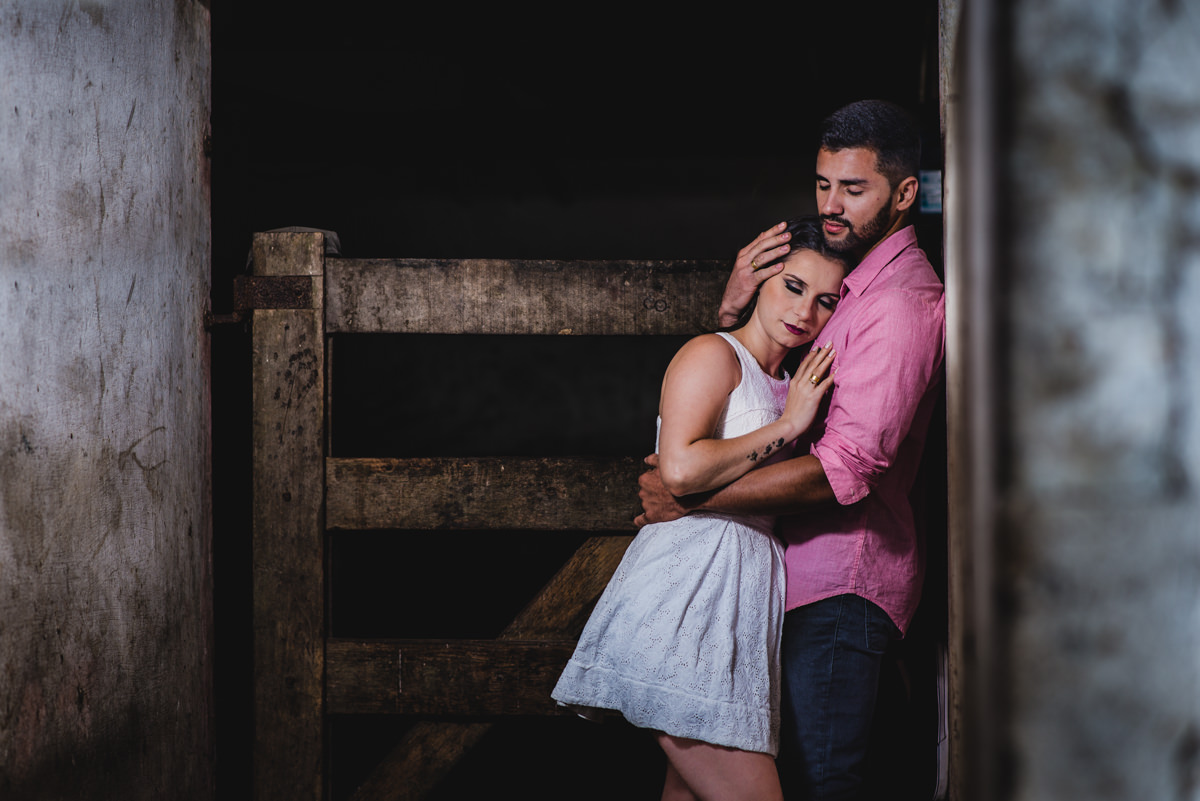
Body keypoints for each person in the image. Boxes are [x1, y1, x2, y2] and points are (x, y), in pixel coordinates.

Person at [636, 99, 947, 800]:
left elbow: (847, 469)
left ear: (903, 194)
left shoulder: (899, 302)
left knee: (816, 781)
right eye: (822, 184)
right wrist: (730, 315)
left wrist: (689, 495)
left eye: (854, 188)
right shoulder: (849, 281)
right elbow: (756, 394)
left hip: (842, 586)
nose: (832, 205)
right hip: (777, 579)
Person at [552, 216, 851, 801]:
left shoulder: (790, 377)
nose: (805, 312)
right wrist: (791, 423)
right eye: (792, 286)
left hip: (740, 608)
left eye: (825, 301)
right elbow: (680, 470)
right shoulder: (711, 354)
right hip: (686, 597)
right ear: (761, 278)